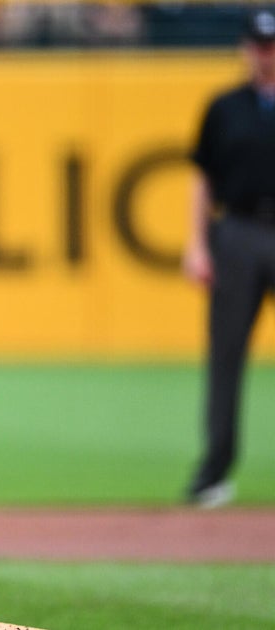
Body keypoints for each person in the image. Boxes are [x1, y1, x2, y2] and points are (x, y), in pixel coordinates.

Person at [183, 7, 275, 509]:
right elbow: (203, 179)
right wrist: (197, 245)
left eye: (272, 45)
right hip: (238, 229)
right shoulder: (225, 107)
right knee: (226, 356)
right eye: (259, 45)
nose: (266, 55)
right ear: (245, 49)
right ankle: (214, 471)